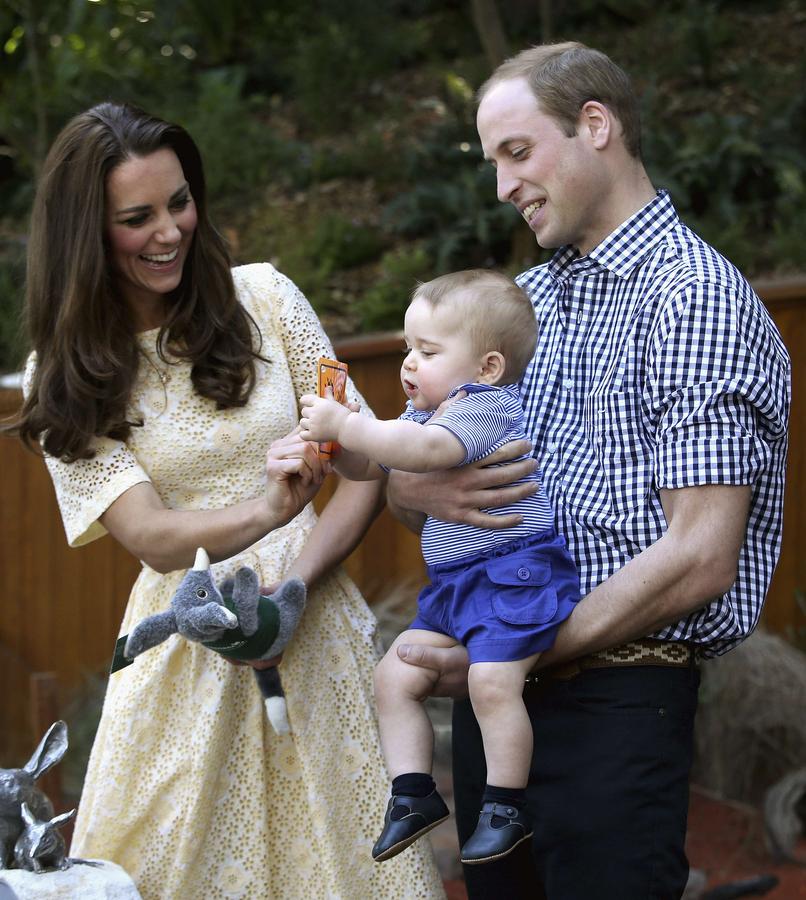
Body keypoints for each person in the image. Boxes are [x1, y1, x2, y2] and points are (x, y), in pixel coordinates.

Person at [5, 102, 445, 900]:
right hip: (186, 648)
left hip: (315, 631)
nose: (169, 231)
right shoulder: (60, 376)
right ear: (85, 235)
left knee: (345, 868)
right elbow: (151, 536)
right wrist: (266, 513)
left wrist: (294, 588)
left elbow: (367, 468)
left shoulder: (268, 299)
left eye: (179, 202)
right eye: (136, 218)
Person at [386, 42, 791, 900]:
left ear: (596, 126)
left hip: (617, 702)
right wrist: (409, 486)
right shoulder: (517, 306)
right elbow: (421, 482)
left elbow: (700, 554)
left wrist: (520, 654)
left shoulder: (695, 298)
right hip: (497, 697)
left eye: (517, 152)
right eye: (492, 160)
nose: (501, 186)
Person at [298, 269, 580, 866]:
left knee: (490, 682)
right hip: (458, 588)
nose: (408, 363)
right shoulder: (423, 413)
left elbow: (424, 455)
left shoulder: (484, 409)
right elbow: (374, 469)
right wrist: (331, 447)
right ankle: (413, 793)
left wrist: (350, 425)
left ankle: (506, 804)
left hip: (514, 577)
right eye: (407, 347)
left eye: (427, 351)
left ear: (487, 367)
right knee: (393, 676)